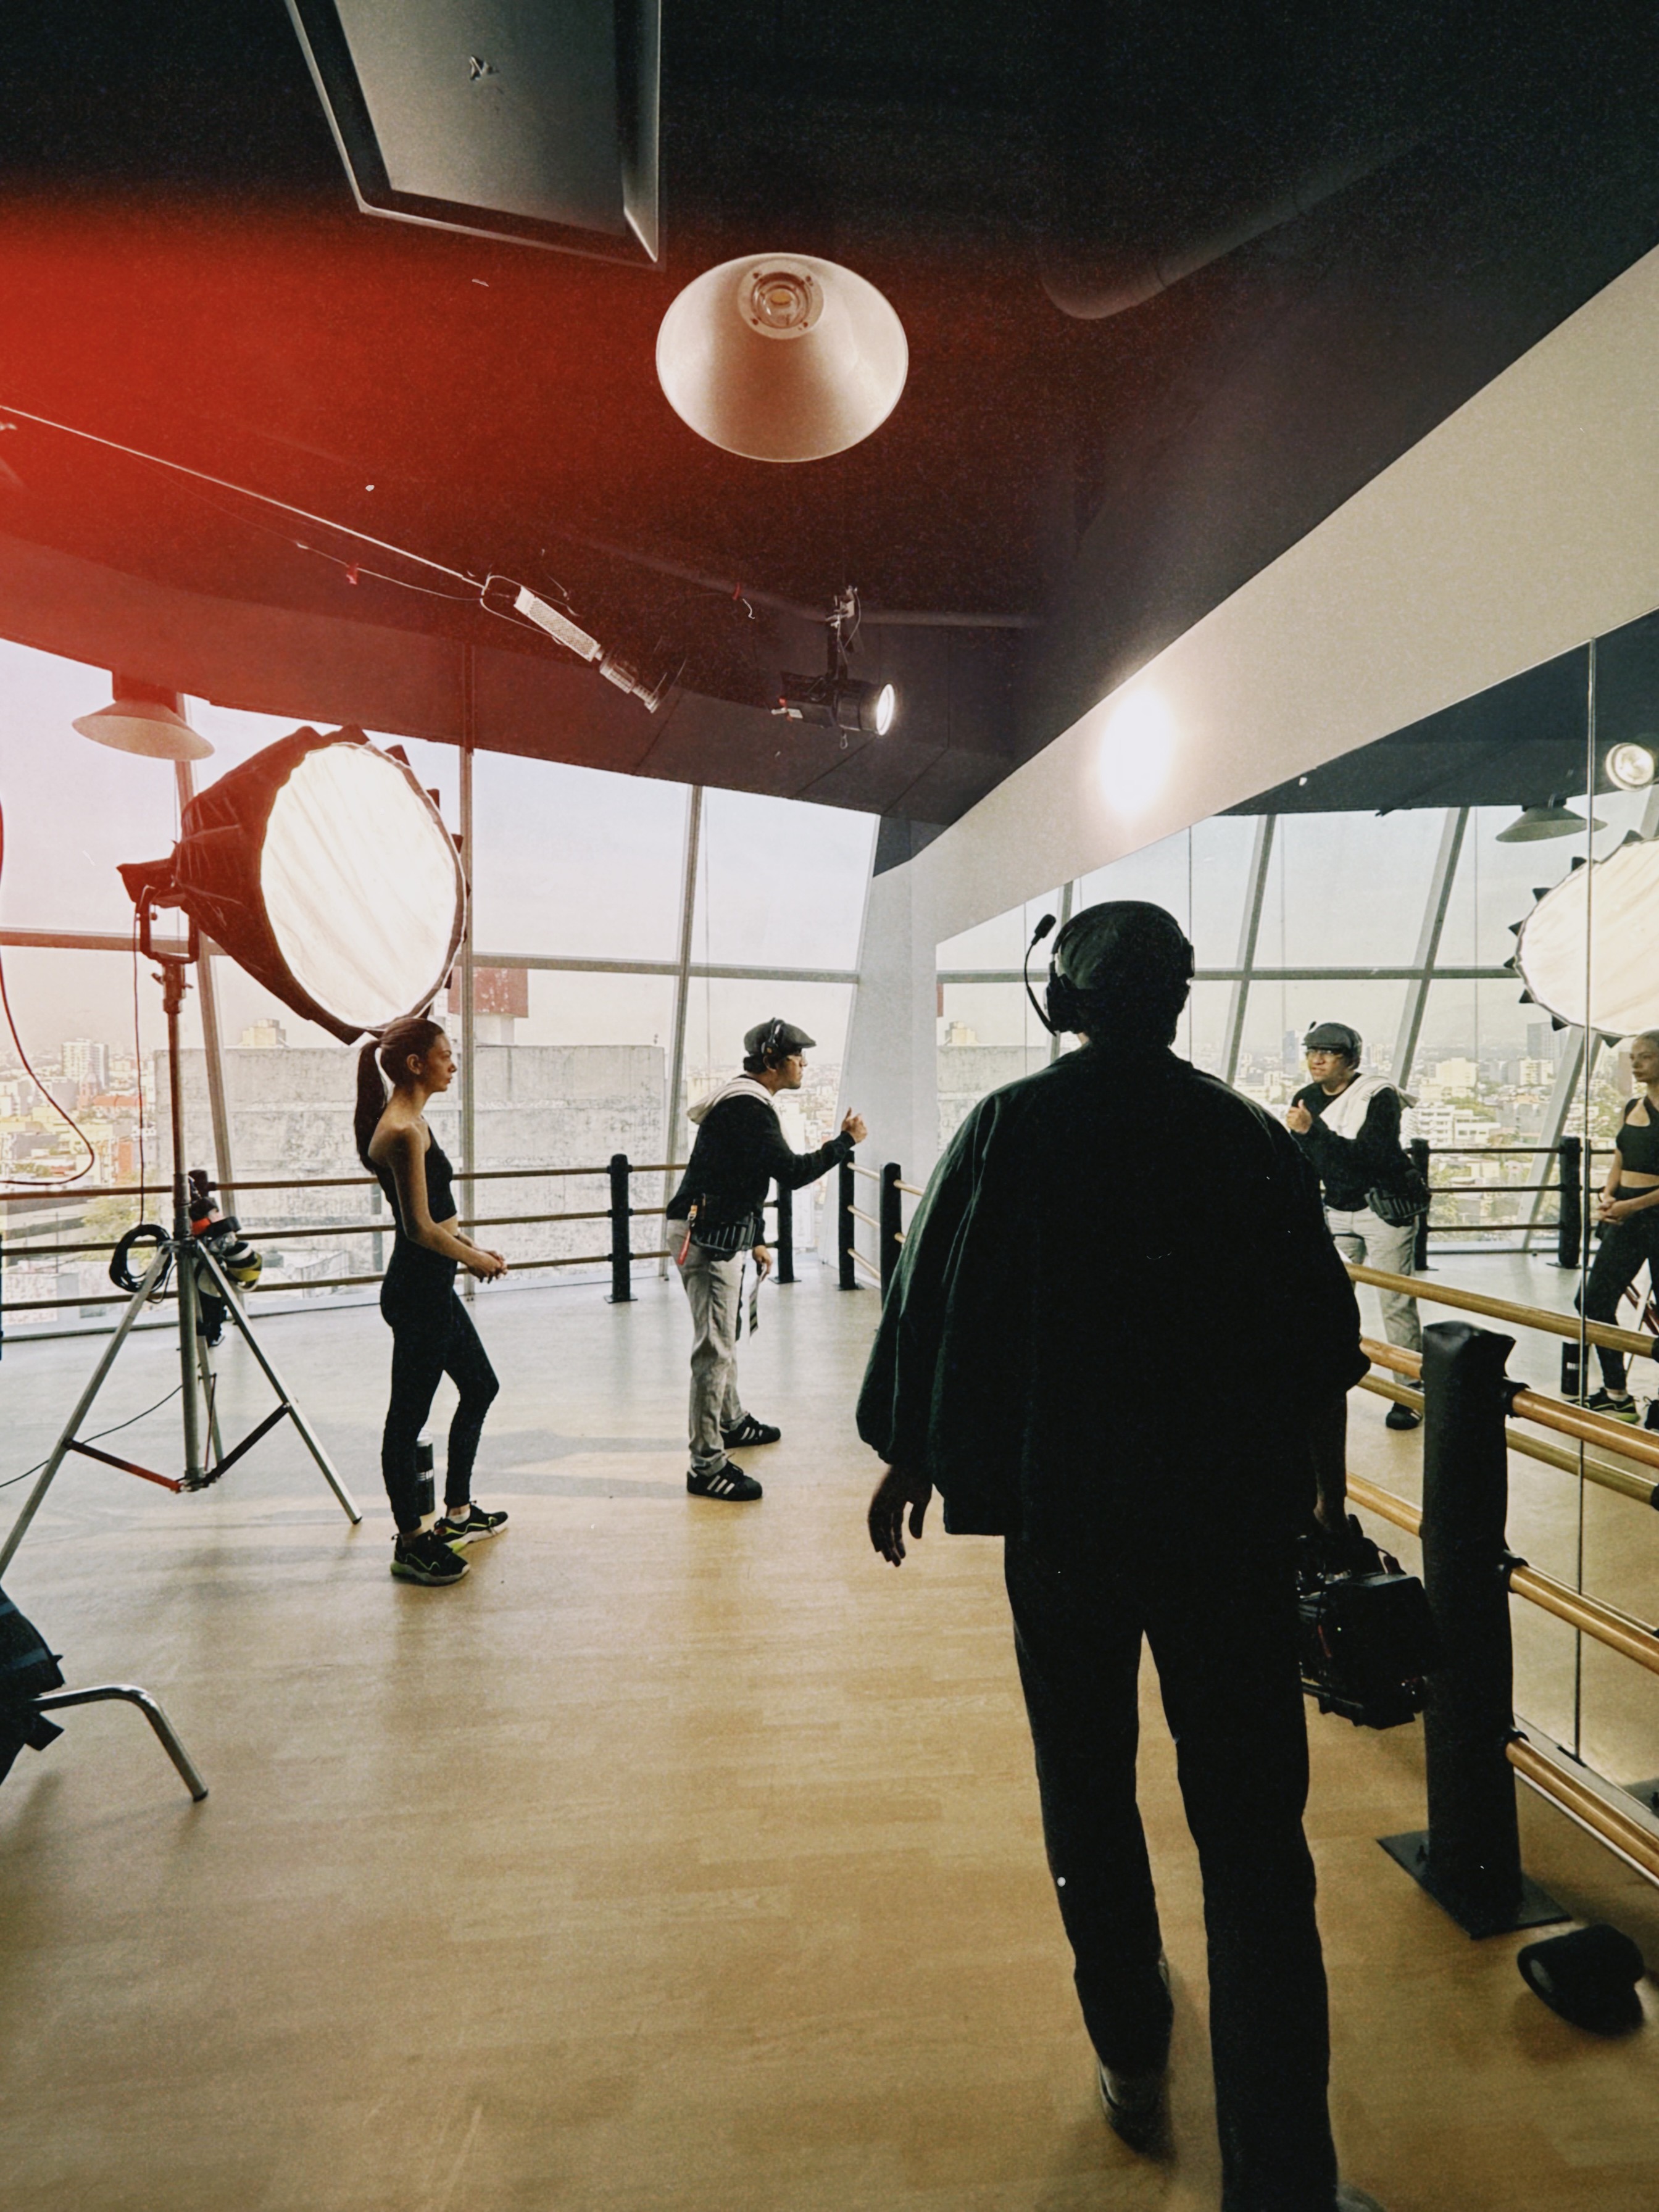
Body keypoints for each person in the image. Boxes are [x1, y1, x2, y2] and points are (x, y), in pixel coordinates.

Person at [859, 902, 1384, 2212]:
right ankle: (1284, 2170)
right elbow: (1322, 1343)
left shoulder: (1008, 1128)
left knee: (1086, 1784)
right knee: (1254, 1837)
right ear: (1178, 997)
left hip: (1064, 1528)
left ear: (1064, 1000)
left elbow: (933, 1304)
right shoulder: (1246, 1136)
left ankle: (1132, 2049)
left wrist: (913, 1454)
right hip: (1227, 1539)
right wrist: (1316, 1501)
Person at [667, 1018, 867, 1502]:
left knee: (724, 1337)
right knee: (714, 1349)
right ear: (773, 1062)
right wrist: (844, 1143)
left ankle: (731, 1422)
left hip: (719, 1232)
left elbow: (741, 1175)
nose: (804, 1066)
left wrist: (754, 1238)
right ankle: (706, 1465)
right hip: (709, 1239)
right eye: (798, 1058)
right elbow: (791, 1172)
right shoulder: (748, 1108)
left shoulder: (742, 1101)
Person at [355, 1016, 510, 1586]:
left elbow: (436, 1213)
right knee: (407, 1420)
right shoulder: (401, 1131)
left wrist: (469, 1246)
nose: (454, 1065)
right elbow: (417, 1227)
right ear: (416, 1064)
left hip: (432, 1283)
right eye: (446, 1056)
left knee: (481, 1386)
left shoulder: (415, 1122)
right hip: (419, 1290)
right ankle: (411, 1542)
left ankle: (459, 1515)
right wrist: (472, 1259)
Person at [1286, 1021, 1424, 1432]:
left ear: (1351, 1060)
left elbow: (1372, 1156)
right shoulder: (1307, 1098)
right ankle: (1324, 1383)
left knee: (1395, 1303)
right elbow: (1306, 1159)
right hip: (1337, 1208)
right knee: (1326, 1300)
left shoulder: (1379, 1096)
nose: (1317, 1060)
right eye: (1312, 1051)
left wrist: (1313, 1131)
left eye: (1328, 1053)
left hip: (1382, 1209)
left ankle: (1410, 1395)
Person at [1575, 1028, 1659, 1420]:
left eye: (1646, 1057)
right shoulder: (1632, 1106)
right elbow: (1620, 1159)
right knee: (1593, 1301)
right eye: (1633, 1057)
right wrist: (1609, 1195)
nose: (1636, 1064)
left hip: (1652, 1215)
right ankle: (1616, 1392)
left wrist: (1632, 1206)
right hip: (1626, 1215)